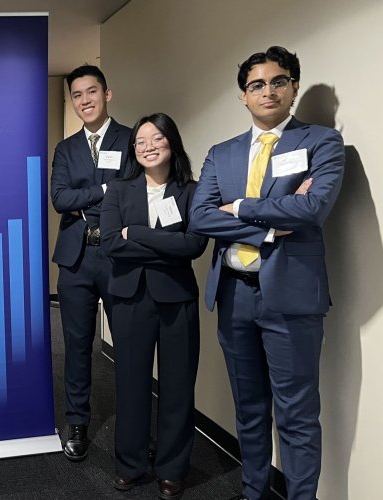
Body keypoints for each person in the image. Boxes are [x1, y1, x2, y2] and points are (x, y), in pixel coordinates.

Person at [189, 46, 344, 500]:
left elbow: (313, 208)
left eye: (278, 81)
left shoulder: (321, 142)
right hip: (234, 293)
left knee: (296, 414)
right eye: (257, 84)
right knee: (250, 408)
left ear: (293, 86)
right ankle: (253, 491)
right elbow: (199, 217)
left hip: (292, 298)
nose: (268, 91)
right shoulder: (223, 153)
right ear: (243, 96)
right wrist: (273, 227)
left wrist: (239, 208)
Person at [100, 113, 206, 500]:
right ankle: (130, 464)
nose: (147, 146)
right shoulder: (118, 190)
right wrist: (165, 245)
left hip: (177, 298)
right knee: (131, 383)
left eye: (156, 138)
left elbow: (193, 245)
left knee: (178, 386)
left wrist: (139, 235)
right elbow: (111, 243)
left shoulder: (191, 191)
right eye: (140, 141)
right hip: (129, 297)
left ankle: (172, 468)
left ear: (171, 143)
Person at [50, 64, 132, 461]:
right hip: (76, 257)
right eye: (77, 95)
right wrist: (103, 190)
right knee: (77, 345)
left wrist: (90, 197)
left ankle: (133, 427)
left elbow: (134, 194)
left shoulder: (132, 139)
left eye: (91, 92)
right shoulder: (65, 149)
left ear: (107, 93)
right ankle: (77, 421)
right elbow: (59, 200)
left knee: (130, 346)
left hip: (119, 257)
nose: (85, 100)